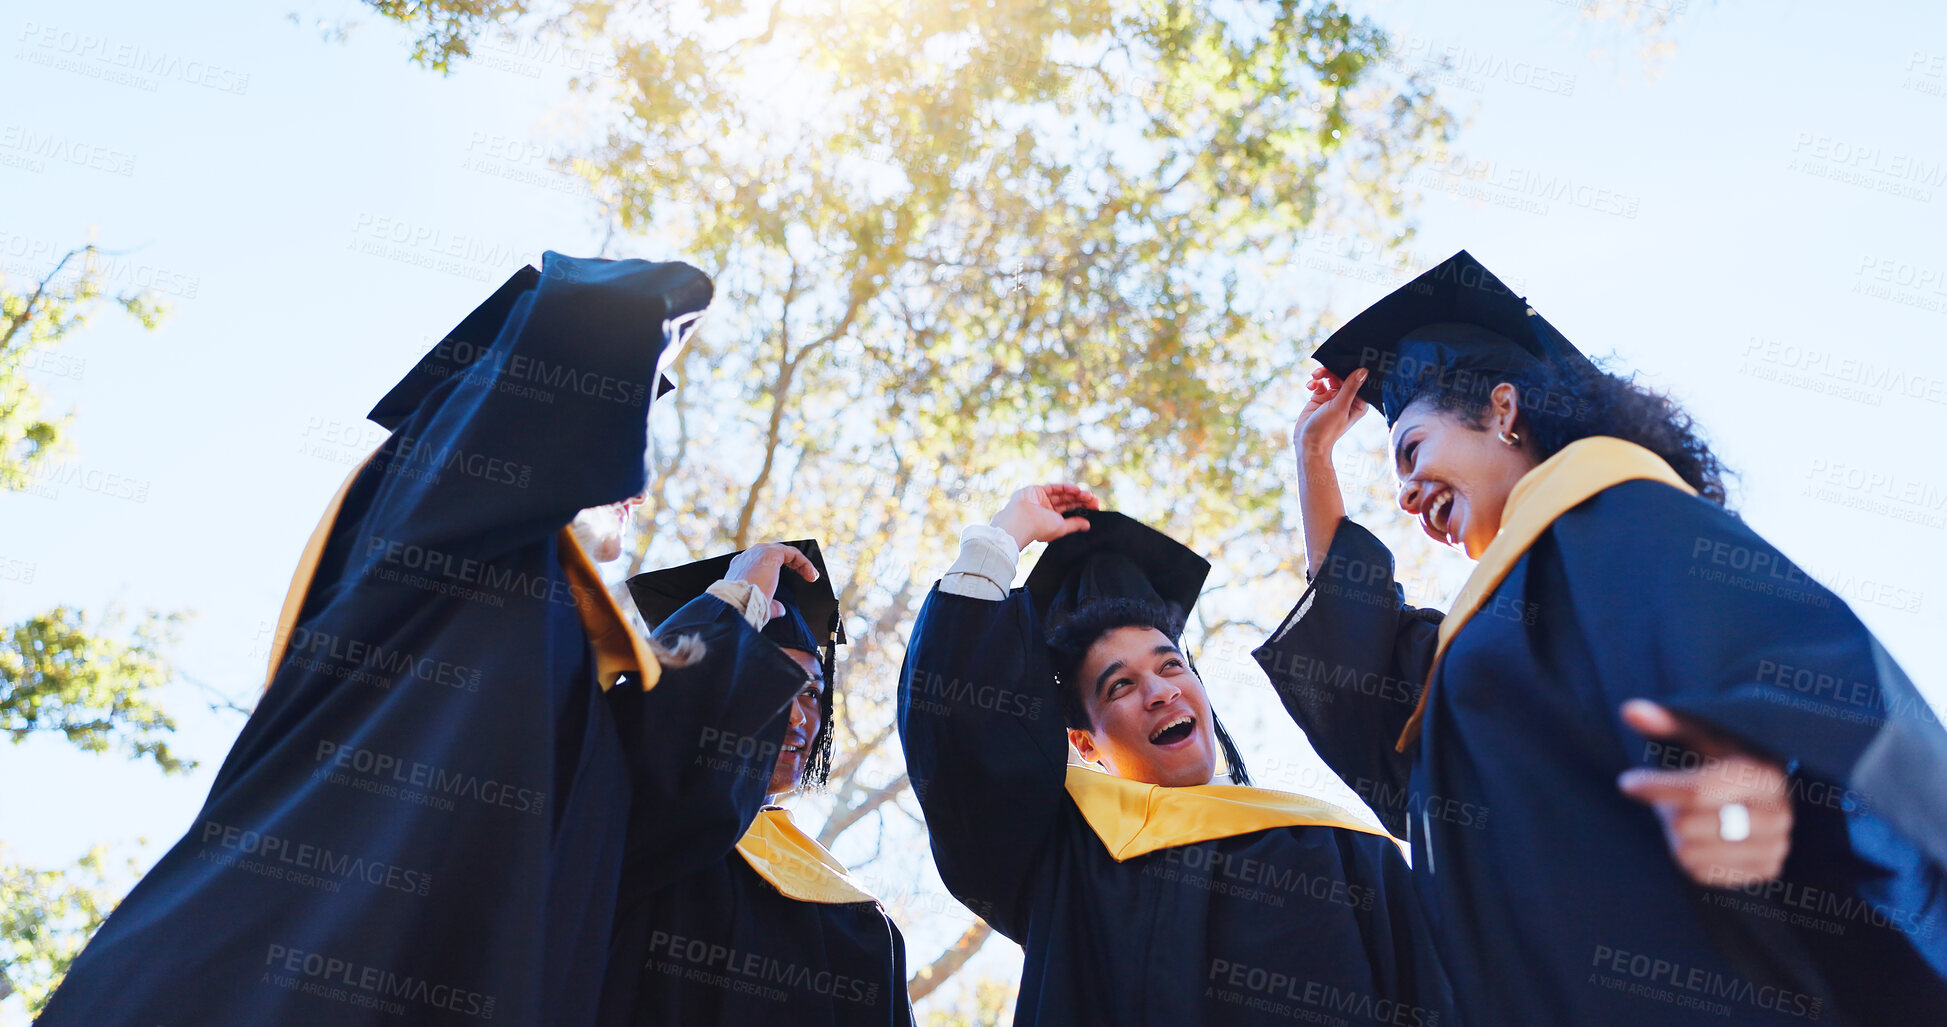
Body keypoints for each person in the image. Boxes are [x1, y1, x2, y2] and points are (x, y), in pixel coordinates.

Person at [1256, 249, 1947, 1024]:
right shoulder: (1485, 627)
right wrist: (1312, 458)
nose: (1408, 495)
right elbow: (1367, 680)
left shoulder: (1611, 509)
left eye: (1411, 449)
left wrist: (1743, 786)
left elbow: (1778, 671)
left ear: (1503, 409)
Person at [40, 254, 712, 1026]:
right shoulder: (445, 533)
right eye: (620, 414)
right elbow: (560, 357)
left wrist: (739, 603)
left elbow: (673, 813)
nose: (635, 477)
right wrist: (651, 306)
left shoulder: (571, 662)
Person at [898, 486, 1455, 1026]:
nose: (1160, 691)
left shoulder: (1338, 845)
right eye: (1119, 686)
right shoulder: (1063, 856)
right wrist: (1005, 535)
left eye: (1170, 666)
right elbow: (959, 739)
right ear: (1083, 743)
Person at [596, 539, 916, 1025]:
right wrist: (740, 597)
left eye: (810, 691)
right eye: (767, 680)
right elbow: (646, 744)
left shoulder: (857, 923)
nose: (795, 716)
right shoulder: (622, 833)